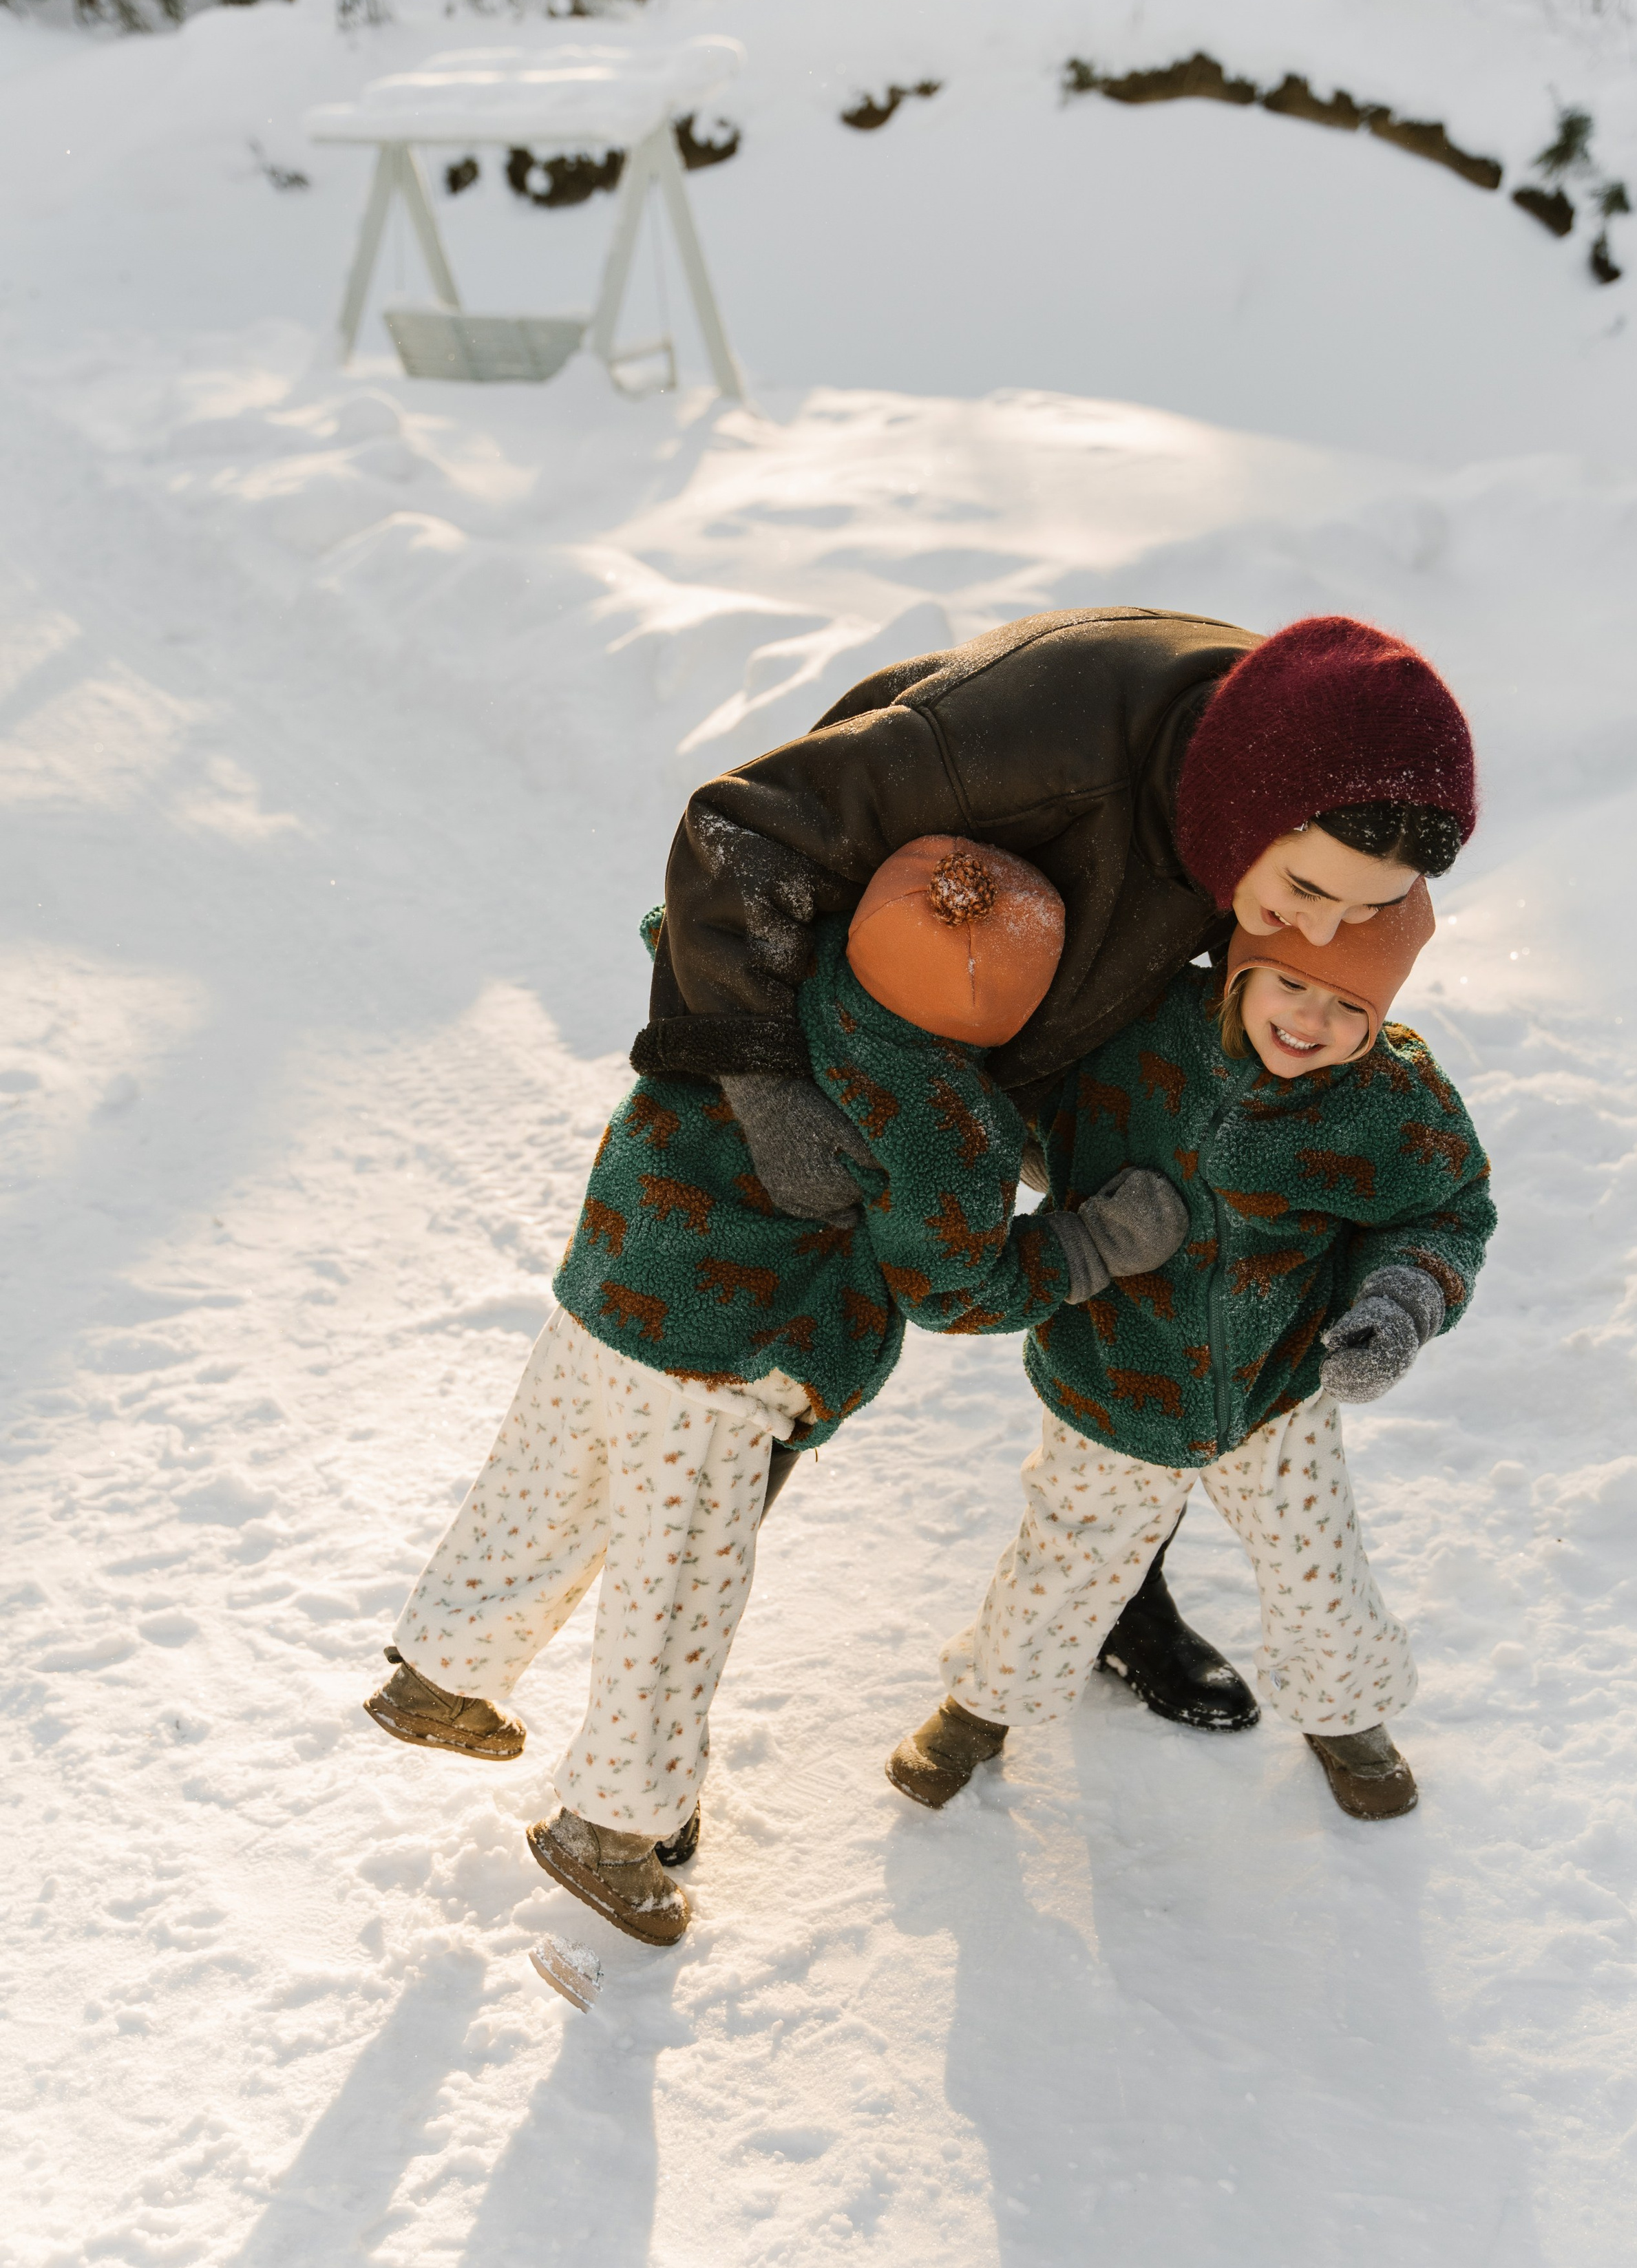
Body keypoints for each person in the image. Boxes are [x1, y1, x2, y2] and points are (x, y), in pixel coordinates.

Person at [637, 608, 1479, 1732]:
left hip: (1002, 1058)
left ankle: (1121, 1603)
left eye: (1368, 909)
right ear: (1251, 806)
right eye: (1311, 894)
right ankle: (634, 1741)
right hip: (815, 1049)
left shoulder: (1299, 788)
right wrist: (764, 1081)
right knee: (738, 1393)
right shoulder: (1028, 741)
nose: (1325, 933)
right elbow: (736, 832)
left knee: (1167, 1294)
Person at [363, 844, 1187, 1947]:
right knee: (675, 1604)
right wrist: (1091, 1246)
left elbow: (671, 933)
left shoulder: (769, 974)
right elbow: (954, 1283)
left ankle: (439, 1676)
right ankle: (610, 1830)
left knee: (540, 1497)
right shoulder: (942, 1118)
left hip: (606, 1295)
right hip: (721, 1371)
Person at [885, 872, 1495, 1823]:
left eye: (1351, 1007)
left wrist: (1402, 1300)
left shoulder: (1388, 1103)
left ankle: (1346, 1715)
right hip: (1112, 1375)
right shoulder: (1138, 1032)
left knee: (1319, 1567)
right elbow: (1019, 1083)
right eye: (1290, 982)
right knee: (1064, 1559)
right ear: (1241, 967)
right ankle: (982, 1709)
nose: (1312, 1019)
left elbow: (1446, 1210)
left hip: (1276, 1388)